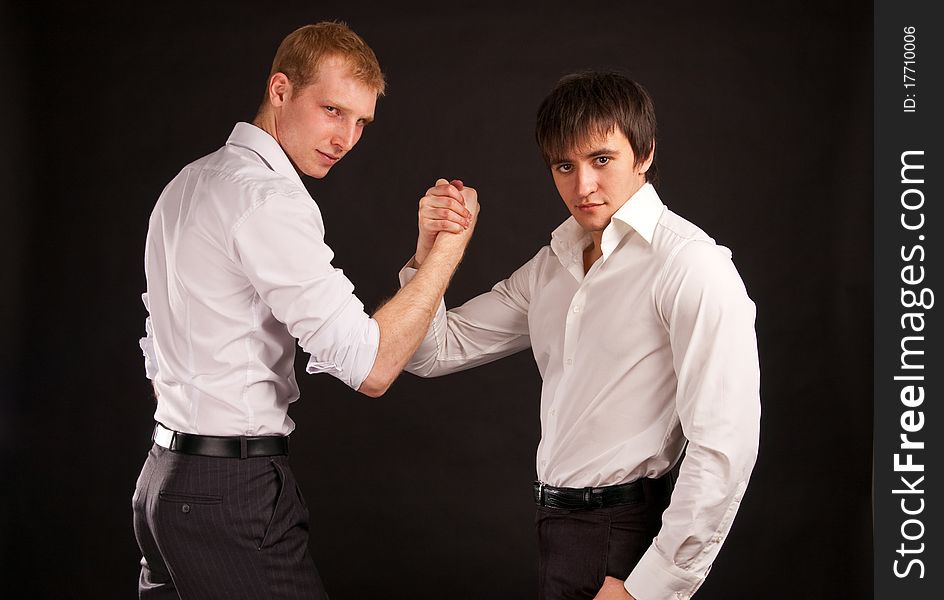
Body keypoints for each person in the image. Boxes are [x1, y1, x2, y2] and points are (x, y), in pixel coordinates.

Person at [133, 22, 478, 599]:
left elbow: (164, 344)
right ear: (280, 90)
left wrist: (420, 257)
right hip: (228, 489)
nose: (345, 137)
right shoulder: (268, 198)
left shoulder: (188, 184)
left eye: (361, 121)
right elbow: (372, 367)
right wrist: (449, 249)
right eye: (332, 110)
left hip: (163, 483)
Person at [402, 72, 760, 600]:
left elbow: (724, 442)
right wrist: (433, 253)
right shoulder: (554, 265)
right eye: (564, 166)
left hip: (628, 538)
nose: (582, 186)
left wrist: (650, 587)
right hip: (559, 529)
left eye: (601, 159)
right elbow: (433, 351)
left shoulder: (691, 265)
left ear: (644, 154)